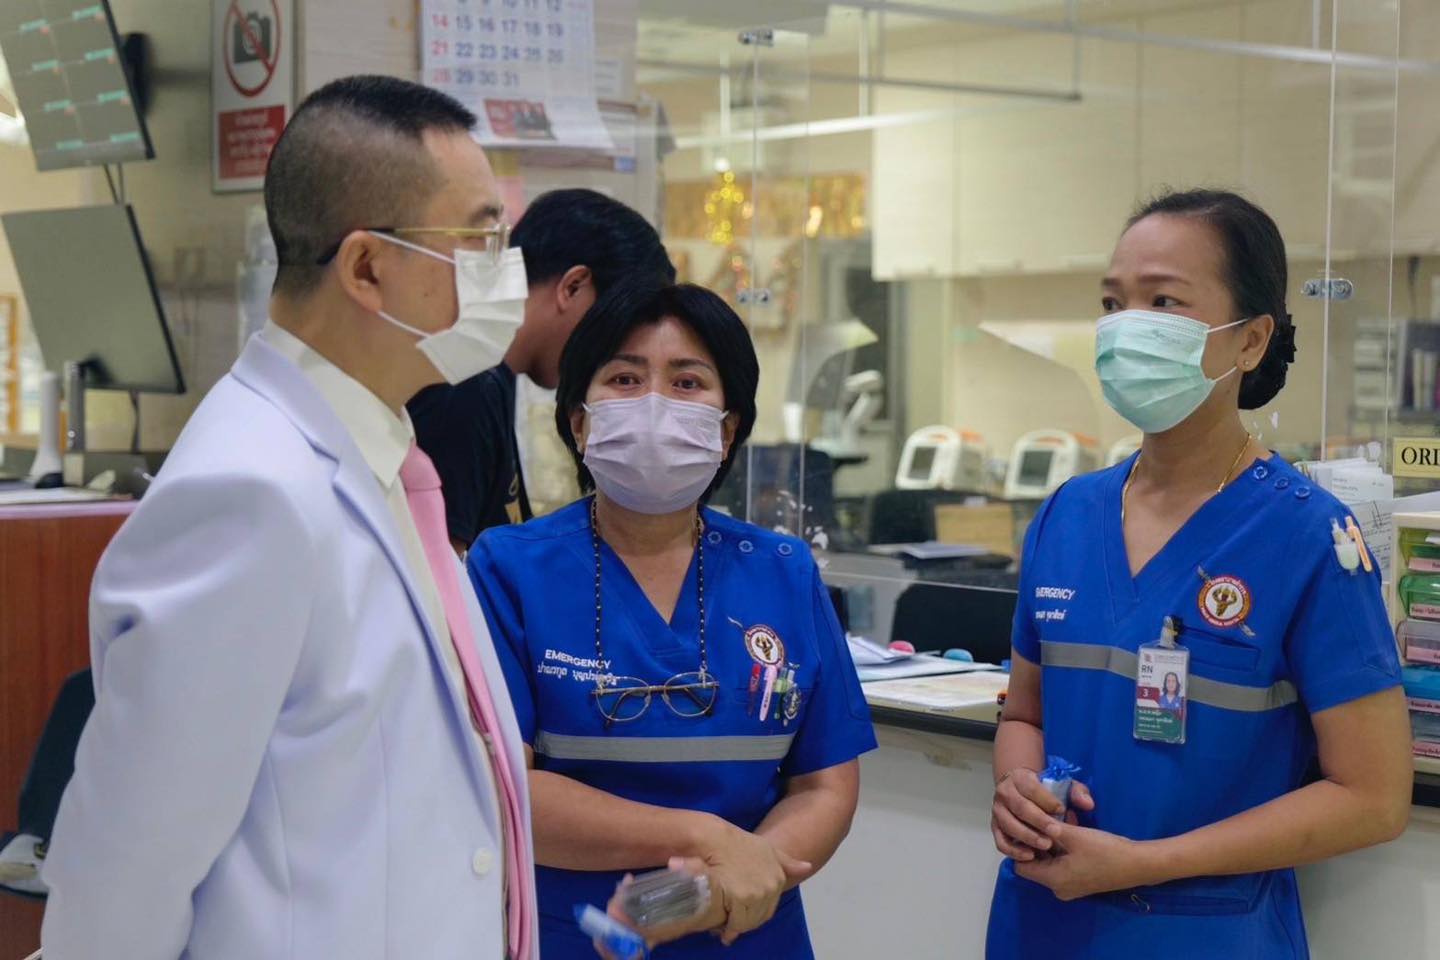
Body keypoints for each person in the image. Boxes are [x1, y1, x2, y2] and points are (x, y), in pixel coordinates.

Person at [41, 75, 538, 960]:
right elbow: (127, 868)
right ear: (367, 268)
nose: (504, 270)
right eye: (478, 238)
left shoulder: (382, 457)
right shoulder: (250, 492)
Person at [986, 189, 1412, 959]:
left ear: (1250, 341)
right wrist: (1018, 789)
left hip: (1206, 932)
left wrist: (1144, 863)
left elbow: (1374, 797)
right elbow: (1025, 715)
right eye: (1113, 302)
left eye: (1163, 302)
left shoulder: (1309, 538)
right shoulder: (1068, 515)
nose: (1126, 327)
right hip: (1044, 924)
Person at [466, 280, 877, 958]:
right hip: (582, 936)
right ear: (579, 421)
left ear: (728, 428)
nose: (655, 405)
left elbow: (825, 784)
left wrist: (721, 888)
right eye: (625, 379)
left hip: (750, 933)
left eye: (687, 383)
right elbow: (505, 789)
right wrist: (701, 838)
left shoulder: (784, 571)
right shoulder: (508, 568)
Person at [409, 188, 677, 554]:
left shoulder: (493, 381)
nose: (607, 355)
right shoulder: (465, 388)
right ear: (573, 287)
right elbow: (438, 575)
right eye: (614, 333)